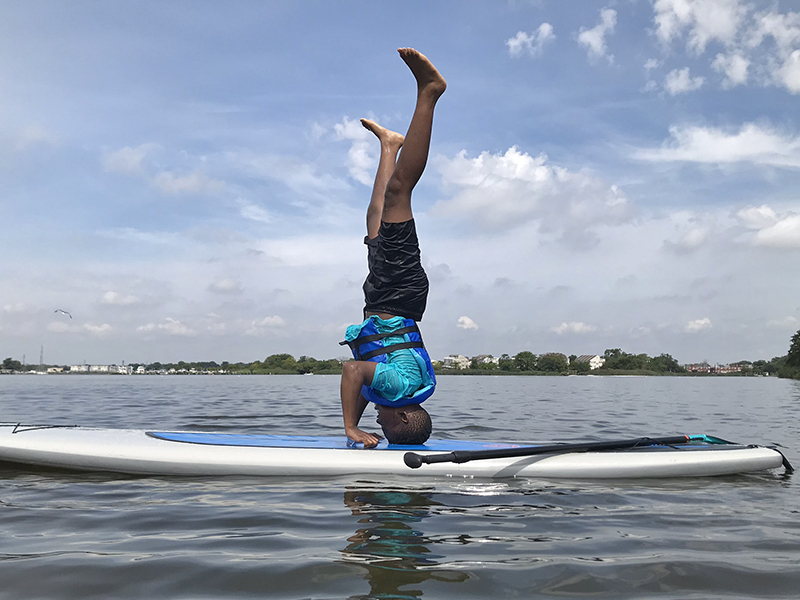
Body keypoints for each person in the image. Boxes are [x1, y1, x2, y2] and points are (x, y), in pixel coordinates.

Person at [340, 48, 446, 448]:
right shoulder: (399, 386)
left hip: (389, 295)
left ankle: (390, 145)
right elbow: (354, 372)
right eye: (384, 426)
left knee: (374, 220)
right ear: (403, 414)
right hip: (397, 293)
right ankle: (429, 93)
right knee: (399, 193)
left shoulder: (404, 391)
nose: (377, 424)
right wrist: (351, 428)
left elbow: (367, 379)